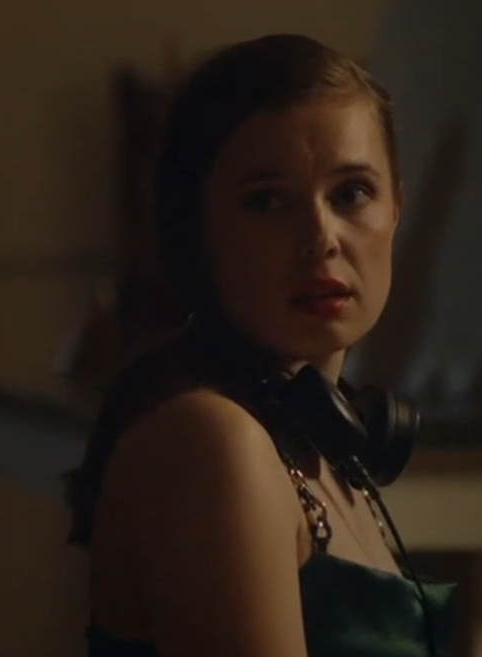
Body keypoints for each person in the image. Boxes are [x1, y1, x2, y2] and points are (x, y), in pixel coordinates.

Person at [62, 34, 455, 657]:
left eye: (351, 192)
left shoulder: (327, 441)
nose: (321, 237)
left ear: (397, 208)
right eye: (267, 201)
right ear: (197, 231)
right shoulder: (217, 442)